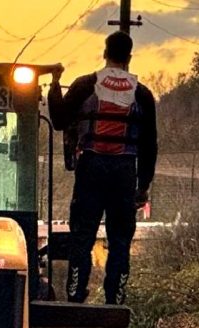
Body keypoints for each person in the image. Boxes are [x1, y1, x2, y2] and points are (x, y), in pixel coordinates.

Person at [48, 31, 158, 304]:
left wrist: (55, 84)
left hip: (91, 167)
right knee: (120, 239)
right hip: (124, 170)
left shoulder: (85, 85)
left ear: (105, 53)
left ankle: (75, 296)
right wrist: (143, 186)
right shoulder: (142, 94)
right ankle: (115, 300)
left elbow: (59, 120)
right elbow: (149, 145)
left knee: (82, 236)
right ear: (129, 58)